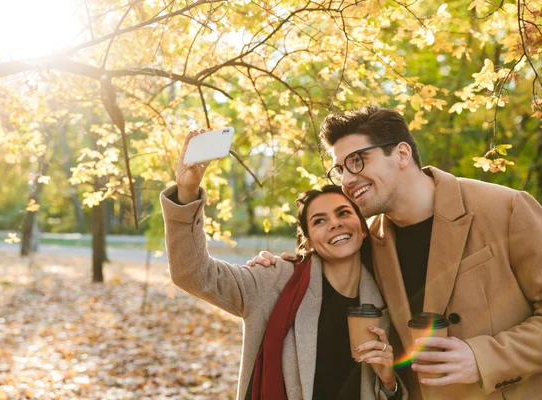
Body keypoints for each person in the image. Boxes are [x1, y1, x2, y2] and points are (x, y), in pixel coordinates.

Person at [248, 106, 542, 399]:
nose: (346, 180)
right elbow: (322, 271)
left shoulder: (505, 208)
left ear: (402, 154)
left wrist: (484, 357)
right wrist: (279, 266)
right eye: (340, 169)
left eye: (358, 161)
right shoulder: (368, 239)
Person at [161, 129, 408, 399]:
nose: (335, 223)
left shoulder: (388, 294)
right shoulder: (275, 280)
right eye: (319, 221)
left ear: (362, 229)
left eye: (344, 213)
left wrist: (388, 380)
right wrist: (187, 193)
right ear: (309, 241)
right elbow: (193, 274)